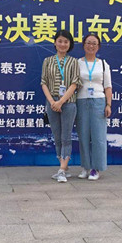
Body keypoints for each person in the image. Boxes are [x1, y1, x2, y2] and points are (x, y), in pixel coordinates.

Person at [41, 29, 82, 183]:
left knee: (66, 137)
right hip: (51, 103)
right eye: (60, 41)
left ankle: (62, 170)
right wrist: (52, 102)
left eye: (66, 41)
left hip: (68, 103)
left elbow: (75, 83)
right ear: (55, 43)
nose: (63, 44)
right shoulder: (47, 61)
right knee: (57, 137)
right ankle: (62, 167)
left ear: (70, 44)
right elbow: (43, 82)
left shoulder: (74, 62)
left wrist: (61, 101)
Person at [75, 33, 112, 180]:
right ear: (83, 45)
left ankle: (96, 169)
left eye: (94, 43)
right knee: (83, 135)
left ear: (98, 47)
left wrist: (108, 104)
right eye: (88, 43)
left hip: (98, 101)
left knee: (98, 136)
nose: (91, 46)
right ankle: (85, 167)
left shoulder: (103, 64)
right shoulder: (77, 63)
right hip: (81, 100)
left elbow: (108, 86)